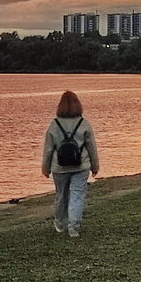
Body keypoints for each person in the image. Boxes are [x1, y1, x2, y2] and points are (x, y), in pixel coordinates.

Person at [41, 90, 99, 237]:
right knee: (77, 195)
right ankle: (73, 226)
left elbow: (48, 148)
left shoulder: (54, 125)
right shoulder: (83, 123)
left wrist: (45, 168)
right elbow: (91, 146)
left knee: (61, 194)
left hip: (59, 167)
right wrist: (95, 165)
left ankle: (60, 223)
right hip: (81, 166)